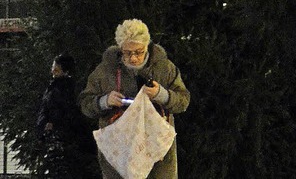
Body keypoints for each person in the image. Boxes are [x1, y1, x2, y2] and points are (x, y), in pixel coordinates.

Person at [79, 19, 190, 179]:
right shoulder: (105, 70)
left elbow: (183, 101)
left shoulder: (164, 68)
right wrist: (104, 101)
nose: (133, 58)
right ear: (120, 48)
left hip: (158, 156)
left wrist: (162, 94)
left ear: (147, 46)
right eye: (127, 52)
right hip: (119, 155)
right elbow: (85, 104)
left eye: (139, 51)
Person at [37, 52, 95, 178]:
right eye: (53, 69)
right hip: (55, 136)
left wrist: (53, 124)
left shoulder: (66, 88)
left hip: (63, 138)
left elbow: (67, 111)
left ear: (66, 71)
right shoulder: (55, 86)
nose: (53, 72)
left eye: (56, 70)